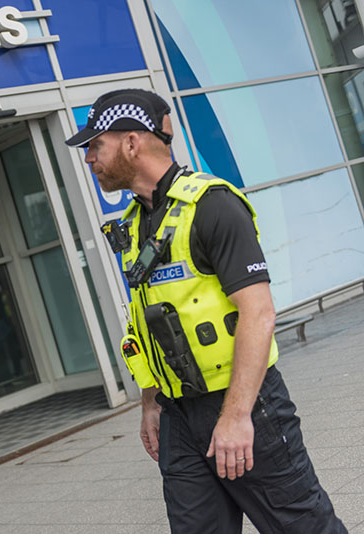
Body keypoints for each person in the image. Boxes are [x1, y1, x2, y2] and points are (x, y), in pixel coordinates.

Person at [66, 89, 346, 533]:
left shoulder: (213, 206)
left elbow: (259, 314)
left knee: (303, 526)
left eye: (95, 145)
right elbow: (145, 320)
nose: (89, 159)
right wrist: (151, 400)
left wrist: (235, 417)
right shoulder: (136, 225)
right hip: (178, 415)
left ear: (132, 142)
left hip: (247, 407)